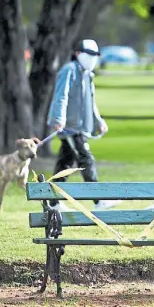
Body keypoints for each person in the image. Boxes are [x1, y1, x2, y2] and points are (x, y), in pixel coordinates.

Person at [47, 39, 121, 210]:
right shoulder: (69, 70)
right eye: (89, 55)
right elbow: (61, 96)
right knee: (86, 159)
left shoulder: (88, 74)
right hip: (71, 128)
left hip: (80, 127)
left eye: (95, 56)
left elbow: (91, 101)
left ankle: (53, 203)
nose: (92, 59)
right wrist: (58, 119)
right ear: (78, 54)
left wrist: (98, 121)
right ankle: (98, 201)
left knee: (64, 164)